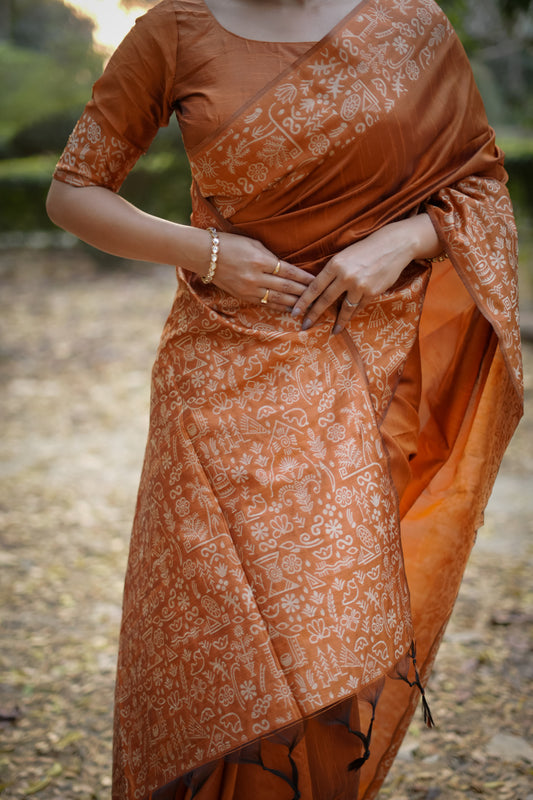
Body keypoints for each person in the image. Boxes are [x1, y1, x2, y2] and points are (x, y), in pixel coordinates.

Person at [46, 0, 523, 797]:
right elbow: (73, 192)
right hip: (217, 380)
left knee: (325, 639)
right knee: (216, 638)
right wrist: (205, 252)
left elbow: (482, 189)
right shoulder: (175, 29)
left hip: (361, 369)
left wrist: (401, 240)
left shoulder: (411, 26)